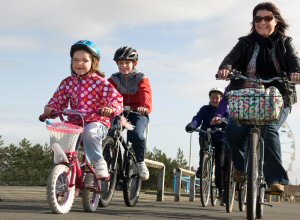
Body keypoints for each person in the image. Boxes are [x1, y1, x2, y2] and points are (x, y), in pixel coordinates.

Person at [217, 2, 300, 193]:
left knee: (268, 127)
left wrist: (296, 71)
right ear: (253, 22)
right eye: (258, 19)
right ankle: (240, 166)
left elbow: (294, 60)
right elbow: (231, 57)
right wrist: (225, 68)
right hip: (246, 98)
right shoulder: (245, 43)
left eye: (268, 18)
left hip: (277, 99)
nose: (263, 22)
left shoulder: (285, 43)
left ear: (276, 20)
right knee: (232, 133)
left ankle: (275, 179)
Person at [42, 40, 123, 179]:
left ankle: (98, 162)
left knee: (90, 133)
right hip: (75, 122)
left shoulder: (100, 82)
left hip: (96, 121)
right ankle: (64, 172)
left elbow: (115, 98)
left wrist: (110, 108)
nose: (79, 63)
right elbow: (58, 99)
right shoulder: (68, 82)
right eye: (76, 60)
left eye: (84, 60)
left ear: (94, 62)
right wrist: (50, 108)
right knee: (58, 135)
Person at [108, 46, 152, 181]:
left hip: (137, 112)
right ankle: (108, 161)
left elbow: (146, 93)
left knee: (136, 135)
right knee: (109, 132)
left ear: (135, 63)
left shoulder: (141, 78)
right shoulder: (114, 79)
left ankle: (140, 161)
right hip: (118, 112)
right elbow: (107, 94)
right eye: (120, 63)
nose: (124, 66)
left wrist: (144, 107)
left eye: (127, 62)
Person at [185, 87, 228, 201]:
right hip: (207, 135)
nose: (215, 100)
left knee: (220, 163)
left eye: (217, 98)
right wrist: (192, 125)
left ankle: (221, 188)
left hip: (220, 138)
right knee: (203, 149)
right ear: (209, 98)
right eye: (212, 97)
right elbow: (197, 118)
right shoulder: (204, 109)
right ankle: (202, 166)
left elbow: (229, 121)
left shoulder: (225, 109)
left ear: (221, 99)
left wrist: (223, 122)